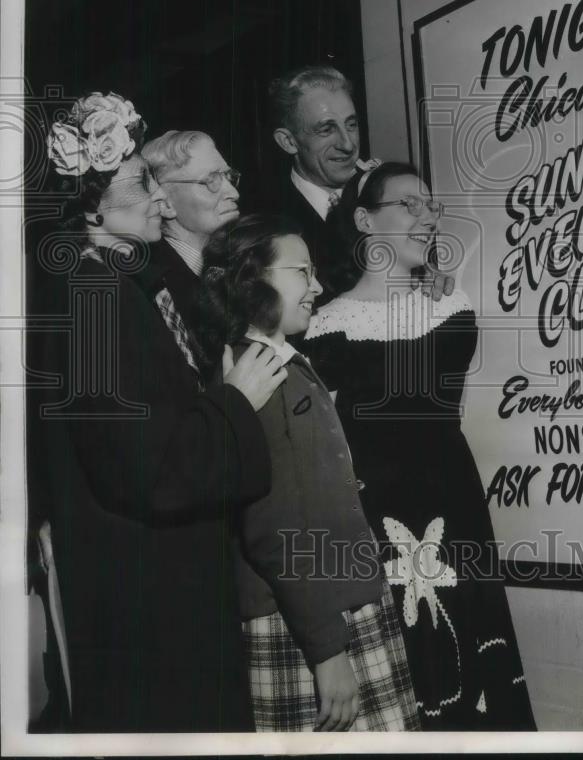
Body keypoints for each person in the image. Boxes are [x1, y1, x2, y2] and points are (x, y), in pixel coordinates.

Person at [34, 93, 285, 732]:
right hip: (147, 593)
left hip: (165, 578)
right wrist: (237, 401)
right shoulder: (91, 299)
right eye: (140, 181)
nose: (160, 197)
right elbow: (145, 470)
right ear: (91, 203)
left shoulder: (118, 284)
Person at [303, 162, 537, 731]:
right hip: (381, 520)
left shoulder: (452, 310)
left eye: (430, 205)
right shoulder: (327, 327)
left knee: (479, 655)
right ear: (364, 220)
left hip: (455, 501)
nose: (428, 217)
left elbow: (458, 414)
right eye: (408, 205)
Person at [195, 214, 421, 733]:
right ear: (253, 281)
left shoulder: (284, 363)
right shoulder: (254, 376)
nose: (317, 287)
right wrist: (326, 651)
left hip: (338, 607)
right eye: (302, 272)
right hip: (312, 627)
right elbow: (274, 528)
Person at [263, 64, 452, 302]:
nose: (348, 144)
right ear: (289, 141)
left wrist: (427, 273)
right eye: (326, 129)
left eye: (351, 125)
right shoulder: (268, 224)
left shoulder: (383, 195)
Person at [141, 129, 241, 344]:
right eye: (211, 181)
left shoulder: (237, 267)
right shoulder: (155, 290)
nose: (233, 192)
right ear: (165, 203)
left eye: (228, 177)